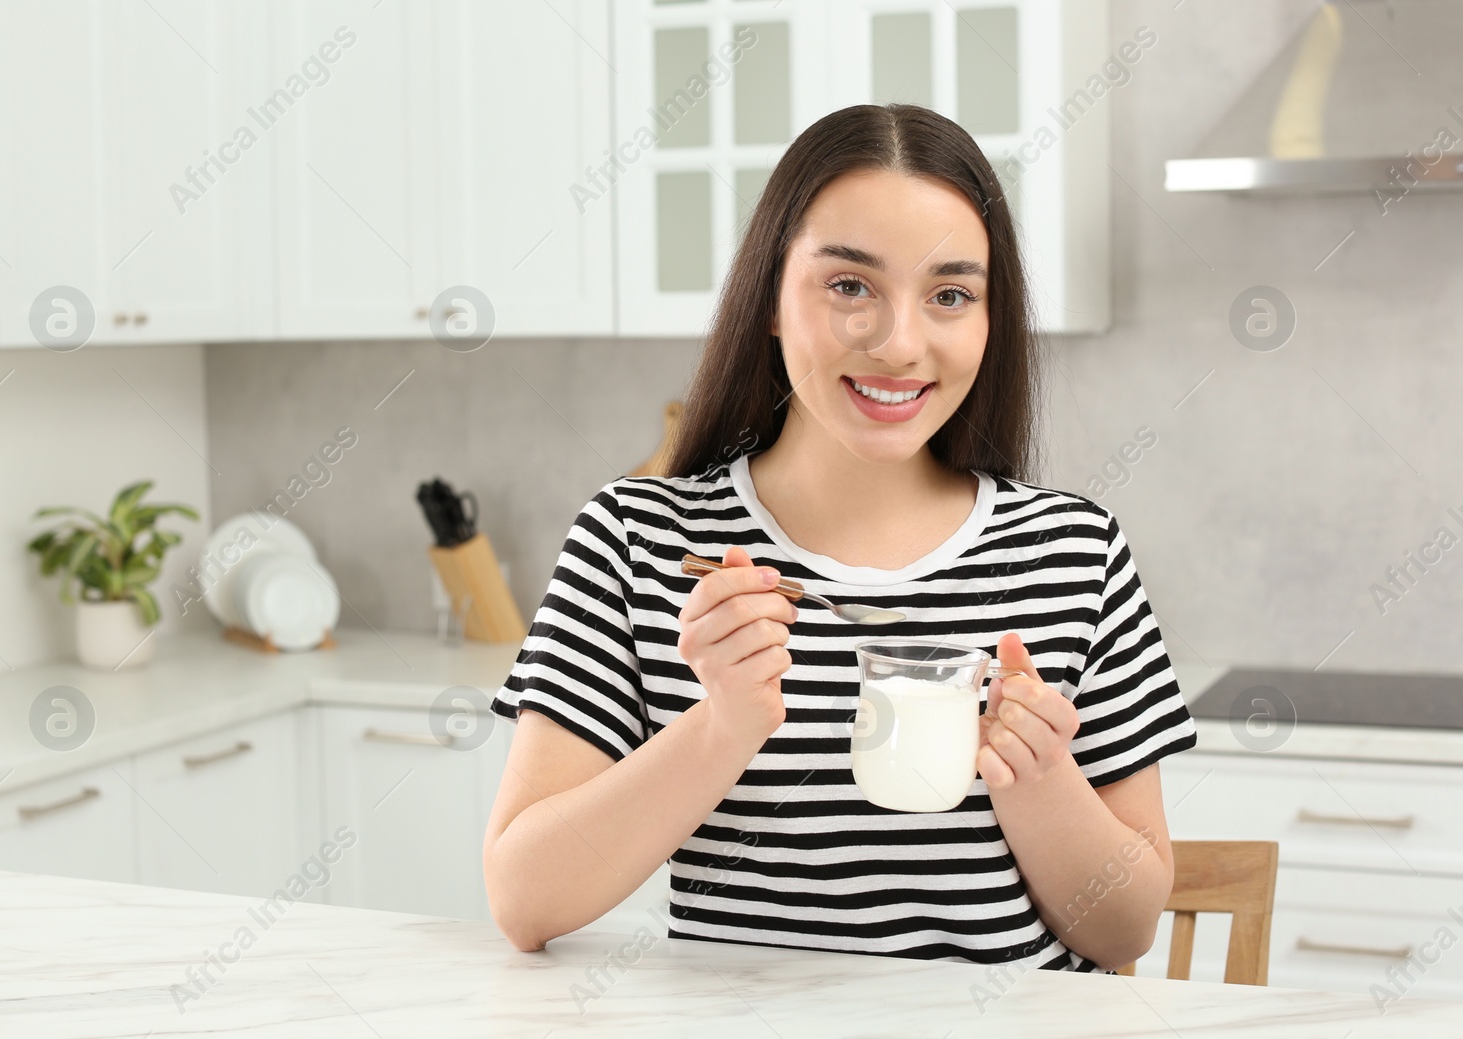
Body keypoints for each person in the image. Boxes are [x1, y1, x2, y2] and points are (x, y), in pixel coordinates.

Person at [482, 102, 1198, 974]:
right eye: (850, 284)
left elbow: (1125, 933)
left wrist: (1042, 783)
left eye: (949, 294)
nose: (900, 343)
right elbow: (525, 900)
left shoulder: (1074, 554)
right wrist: (723, 725)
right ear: (771, 301)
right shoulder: (640, 539)